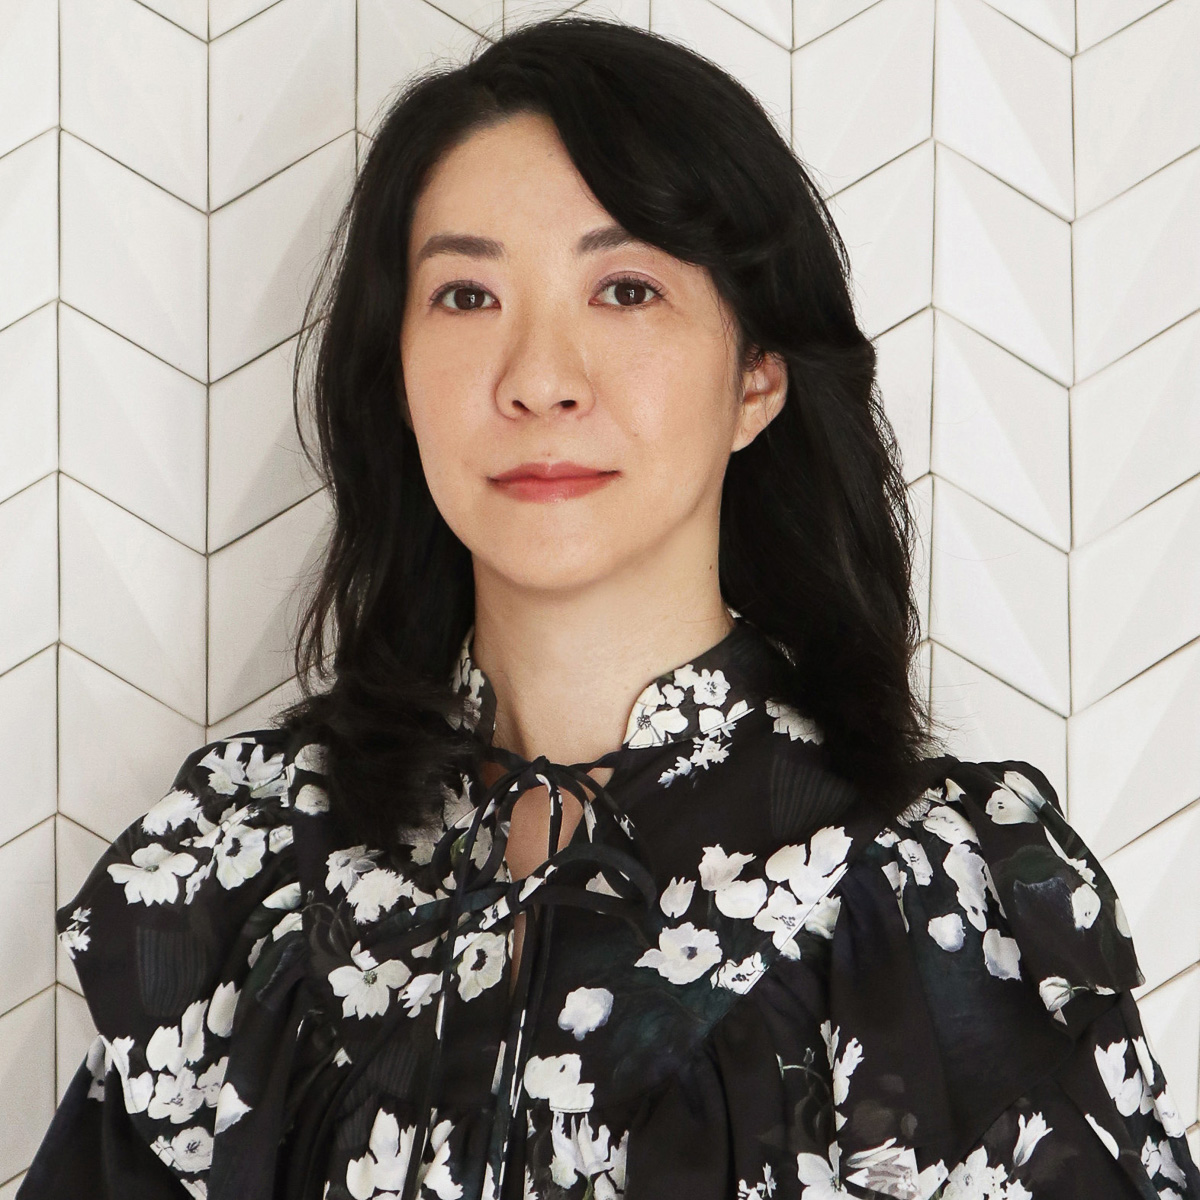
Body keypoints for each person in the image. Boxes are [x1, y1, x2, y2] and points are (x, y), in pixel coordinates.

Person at [18, 15, 1198, 1200]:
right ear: (398, 375)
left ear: (757, 375)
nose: (539, 378)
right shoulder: (254, 871)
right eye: (467, 295)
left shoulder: (918, 890)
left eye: (626, 290)